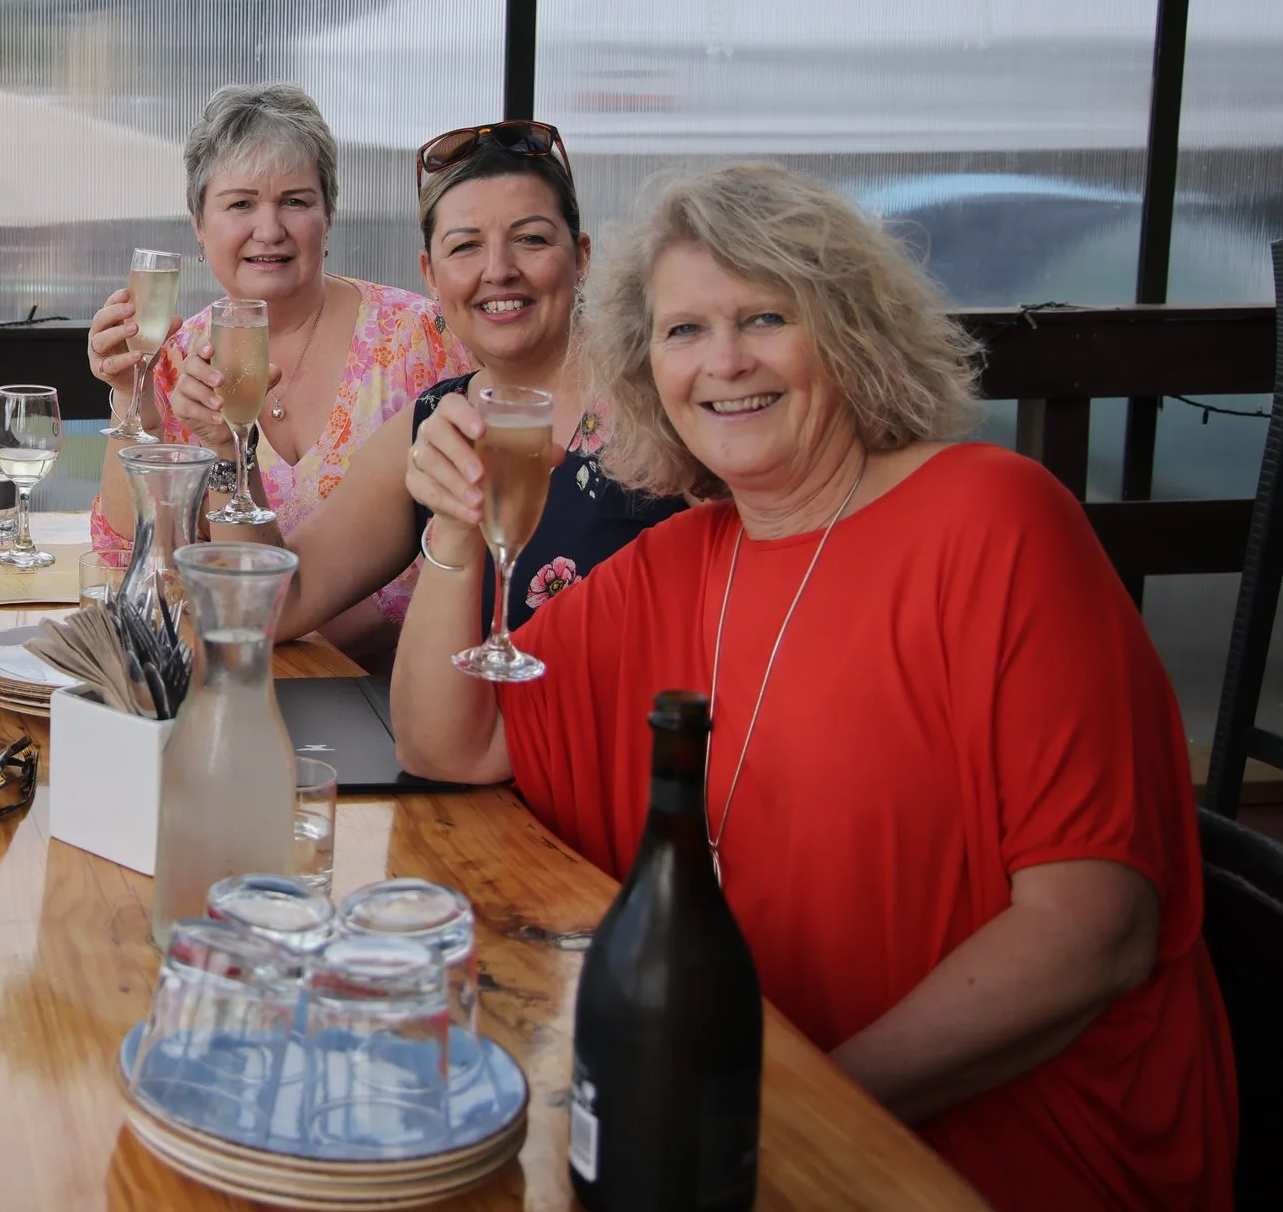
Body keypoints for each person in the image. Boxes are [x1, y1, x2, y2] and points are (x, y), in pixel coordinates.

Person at [393, 161, 1235, 1211]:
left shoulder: (995, 521)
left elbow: (1094, 928)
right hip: (744, 1114)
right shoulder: (689, 554)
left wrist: (795, 1109)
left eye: (764, 316)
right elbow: (448, 741)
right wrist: (452, 524)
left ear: (847, 329)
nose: (724, 361)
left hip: (993, 1150)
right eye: (683, 331)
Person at [227, 120, 681, 651]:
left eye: (530, 239)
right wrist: (223, 446)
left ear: (581, 257)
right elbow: (270, 605)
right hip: (468, 732)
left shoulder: (660, 400)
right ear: (431, 275)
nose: (498, 270)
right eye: (465, 247)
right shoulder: (436, 425)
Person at [86, 83, 462, 662]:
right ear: (199, 225)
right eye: (240, 204)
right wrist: (128, 395)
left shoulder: (422, 338)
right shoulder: (178, 360)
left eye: (295, 201)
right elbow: (124, 555)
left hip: (407, 686)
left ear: (328, 216)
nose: (269, 229)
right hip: (255, 677)